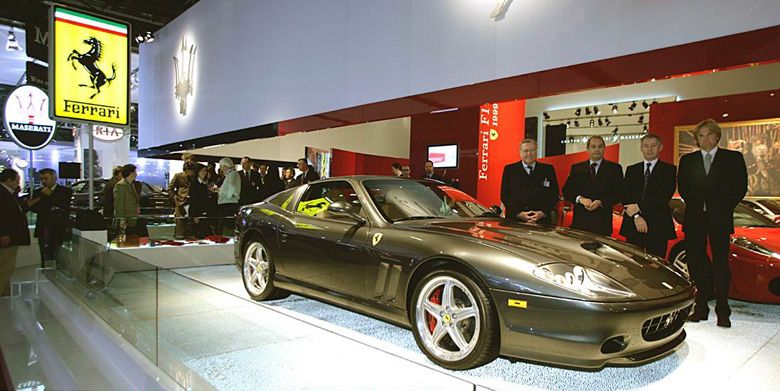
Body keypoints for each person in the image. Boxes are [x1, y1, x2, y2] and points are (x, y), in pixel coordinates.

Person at [678, 119, 747, 328]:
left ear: (717, 136)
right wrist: (699, 205)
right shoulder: (688, 160)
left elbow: (740, 187)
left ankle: (723, 310)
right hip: (695, 219)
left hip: (720, 219)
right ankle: (701, 307)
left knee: (720, 265)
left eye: (709, 134)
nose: (705, 139)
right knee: (696, 264)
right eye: (701, 135)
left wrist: (721, 206)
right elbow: (683, 188)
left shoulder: (732, 158)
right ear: (697, 139)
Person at [619, 134, 677, 258]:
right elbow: (625, 195)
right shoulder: (631, 169)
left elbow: (663, 196)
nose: (649, 149)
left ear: (660, 147)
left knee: (656, 266)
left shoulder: (669, 170)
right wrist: (636, 216)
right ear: (641, 148)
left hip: (658, 226)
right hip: (633, 226)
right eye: (645, 146)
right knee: (632, 265)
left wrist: (639, 207)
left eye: (653, 146)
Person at [562, 136, 623, 236]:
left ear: (604, 148)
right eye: (593, 146)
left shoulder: (615, 169)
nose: (596, 149)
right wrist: (580, 199)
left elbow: (619, 193)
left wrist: (601, 202)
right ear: (587, 149)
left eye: (600, 147)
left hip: (602, 224)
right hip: (580, 223)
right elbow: (567, 190)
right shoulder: (577, 168)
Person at [500, 139, 559, 224]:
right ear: (520, 152)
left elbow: (554, 194)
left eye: (532, 150)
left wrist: (542, 212)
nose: (529, 154)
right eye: (526, 151)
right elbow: (505, 195)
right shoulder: (509, 170)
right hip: (515, 221)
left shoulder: (548, 170)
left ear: (536, 151)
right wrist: (518, 213)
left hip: (541, 221)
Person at [27, 168, 72, 267]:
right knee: (44, 250)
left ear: (54, 178)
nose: (43, 181)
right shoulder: (38, 192)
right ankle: (45, 269)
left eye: (46, 178)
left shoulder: (65, 191)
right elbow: (34, 208)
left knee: (58, 250)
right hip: (43, 225)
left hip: (59, 226)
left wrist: (50, 196)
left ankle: (58, 269)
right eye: (42, 179)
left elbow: (64, 206)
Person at [0, 169, 30, 296]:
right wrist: (3, 233)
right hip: (7, 237)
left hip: (10, 236)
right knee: (5, 267)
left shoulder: (9, 194)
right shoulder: (2, 194)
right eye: (17, 180)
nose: (18, 183)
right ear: (8, 180)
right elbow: (3, 215)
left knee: (7, 268)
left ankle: (5, 293)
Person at [113, 164, 141, 242]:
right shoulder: (120, 186)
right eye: (135, 172)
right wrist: (121, 219)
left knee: (131, 240)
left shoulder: (131, 185)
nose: (136, 174)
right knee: (124, 241)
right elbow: (119, 204)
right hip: (125, 220)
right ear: (131, 173)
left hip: (132, 218)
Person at [188, 164, 216, 237]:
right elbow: (193, 200)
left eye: (205, 171)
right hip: (197, 213)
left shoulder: (203, 184)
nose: (204, 172)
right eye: (202, 171)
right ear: (198, 172)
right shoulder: (194, 183)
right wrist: (195, 215)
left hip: (204, 213)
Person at [169, 161, 195, 239]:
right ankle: (179, 239)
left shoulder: (194, 177)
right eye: (189, 170)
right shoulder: (178, 176)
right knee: (180, 223)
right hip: (180, 202)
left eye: (192, 170)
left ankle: (189, 240)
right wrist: (175, 198)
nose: (191, 172)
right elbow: (170, 189)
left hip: (191, 202)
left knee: (190, 223)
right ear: (185, 169)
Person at [218, 158, 241, 233]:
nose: (220, 168)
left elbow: (232, 187)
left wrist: (228, 196)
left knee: (228, 224)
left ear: (225, 166)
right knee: (226, 224)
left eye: (221, 166)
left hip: (228, 203)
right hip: (227, 203)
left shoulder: (232, 174)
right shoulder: (230, 174)